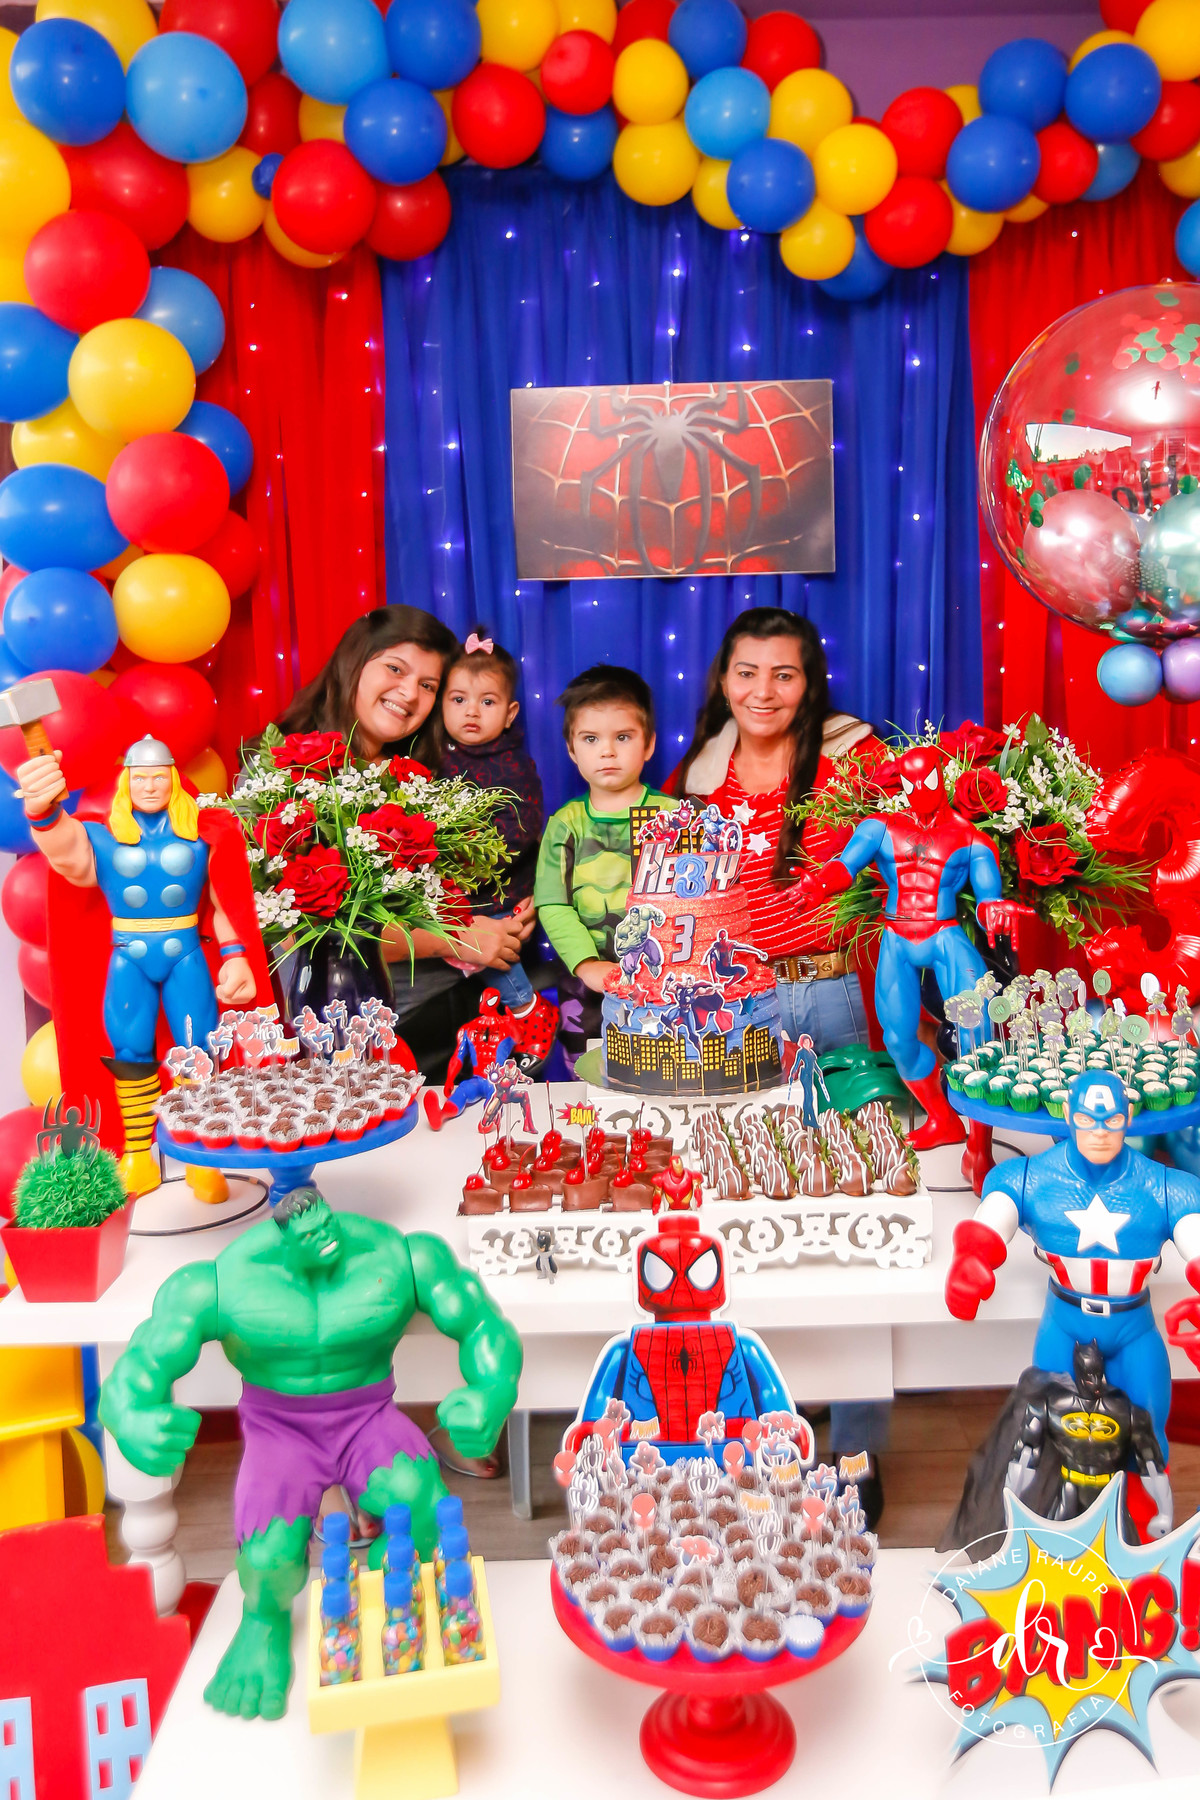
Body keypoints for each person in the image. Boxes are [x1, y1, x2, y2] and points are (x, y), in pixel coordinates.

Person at [99, 1186, 522, 1720]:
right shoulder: (226, 1281)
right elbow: (141, 1363)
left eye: (328, 1224)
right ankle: (263, 1622)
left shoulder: (397, 1256)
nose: (325, 1237)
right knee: (267, 1560)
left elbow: (483, 1323)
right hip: (279, 1431)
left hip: (367, 1417)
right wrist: (130, 1414)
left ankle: (399, 1599)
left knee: (423, 1507)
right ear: (281, 1241)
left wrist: (492, 1389)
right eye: (309, 1234)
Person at [669, 606, 888, 1514]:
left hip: (837, 996)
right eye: (747, 672)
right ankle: (766, 1428)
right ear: (723, 680)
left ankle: (860, 1448)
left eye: (784, 674)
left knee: (860, 1207)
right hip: (736, 1011)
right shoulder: (697, 774)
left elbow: (910, 870)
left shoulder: (855, 761)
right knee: (746, 1209)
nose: (763, 692)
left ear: (811, 683)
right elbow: (680, 906)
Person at [270, 608, 536, 1076]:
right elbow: (294, 933)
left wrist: (509, 917)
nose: (410, 693)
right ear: (354, 662)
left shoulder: (424, 777)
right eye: (395, 669)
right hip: (345, 1030)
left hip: (455, 1011)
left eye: (428, 685)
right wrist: (456, 938)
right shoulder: (288, 775)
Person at [16, 733, 271, 1205]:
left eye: (158, 777)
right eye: (140, 778)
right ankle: (138, 1151)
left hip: (186, 955)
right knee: (130, 1052)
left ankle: (200, 1152)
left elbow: (224, 901)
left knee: (197, 1051)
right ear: (126, 783)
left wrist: (236, 956)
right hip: (128, 956)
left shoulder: (204, 834)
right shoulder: (103, 837)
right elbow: (67, 850)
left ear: (173, 778)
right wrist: (42, 808)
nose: (150, 786)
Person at [533, 665, 672, 1073]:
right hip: (585, 983)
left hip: (661, 978)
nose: (607, 751)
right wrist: (586, 965)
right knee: (588, 1075)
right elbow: (552, 904)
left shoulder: (675, 817)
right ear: (571, 749)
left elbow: (695, 897)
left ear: (649, 744)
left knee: (662, 1070)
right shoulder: (565, 824)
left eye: (623, 737)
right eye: (591, 739)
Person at [437, 629, 557, 1060]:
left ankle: (528, 1009)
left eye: (487, 702)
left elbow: (522, 828)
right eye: (459, 700)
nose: (472, 711)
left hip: (499, 889)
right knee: (464, 950)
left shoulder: (514, 765)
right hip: (452, 894)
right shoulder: (435, 758)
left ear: (509, 714)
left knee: (490, 952)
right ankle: (495, 1029)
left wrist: (463, 854)